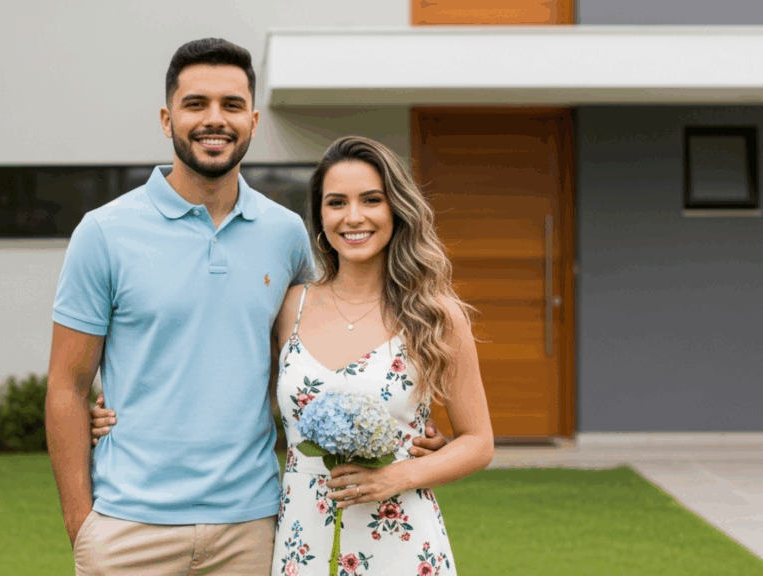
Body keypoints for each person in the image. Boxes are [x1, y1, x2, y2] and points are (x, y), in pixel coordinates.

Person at [46, 38, 446, 576]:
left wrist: (405, 426)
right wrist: (82, 522)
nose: (215, 120)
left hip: (254, 528)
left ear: (253, 121)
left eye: (232, 105)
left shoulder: (285, 235)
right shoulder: (103, 232)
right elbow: (66, 386)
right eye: (196, 104)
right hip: (128, 526)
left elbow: (324, 353)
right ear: (167, 118)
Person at [94, 135, 496, 575]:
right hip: (305, 533)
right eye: (337, 203)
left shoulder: (435, 315)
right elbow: (223, 377)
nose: (354, 217)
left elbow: (478, 443)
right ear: (320, 217)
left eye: (371, 200)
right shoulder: (291, 306)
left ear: (395, 209)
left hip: (400, 538)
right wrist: (121, 408)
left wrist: (397, 476)